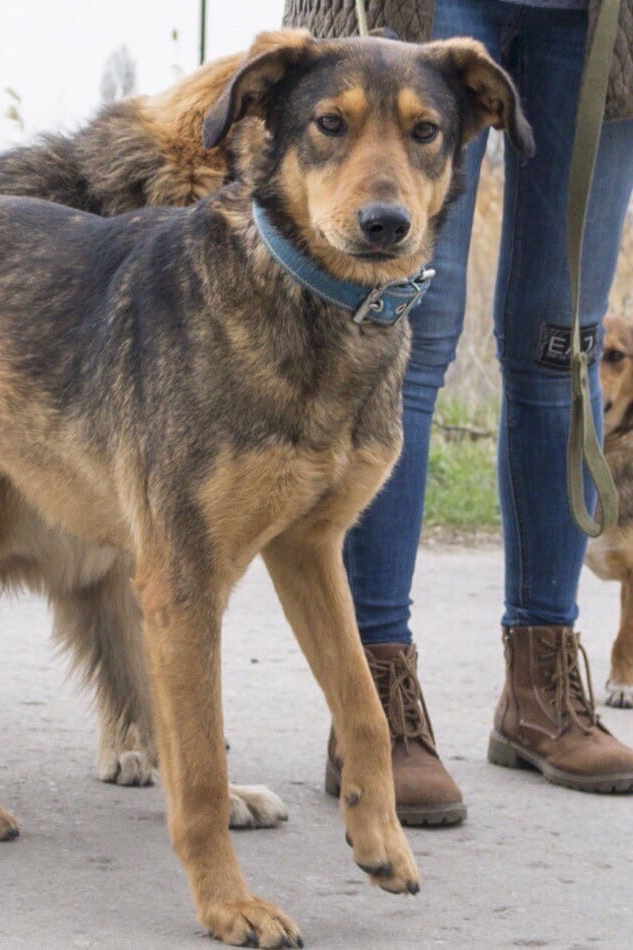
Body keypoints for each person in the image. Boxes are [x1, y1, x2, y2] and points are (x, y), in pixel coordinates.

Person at [283, 0, 633, 825]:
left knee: (564, 348)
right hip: (418, 13)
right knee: (408, 344)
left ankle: (541, 689)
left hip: (598, 25)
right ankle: (370, 705)